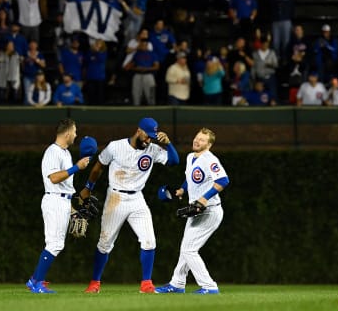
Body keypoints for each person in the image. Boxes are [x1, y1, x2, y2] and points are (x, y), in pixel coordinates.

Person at [82, 117, 180, 294]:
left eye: (152, 137)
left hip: (137, 198)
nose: (149, 140)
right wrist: (88, 188)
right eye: (147, 136)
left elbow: (174, 161)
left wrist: (169, 144)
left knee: (149, 240)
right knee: (104, 243)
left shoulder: (152, 149)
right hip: (115, 198)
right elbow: (98, 167)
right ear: (139, 131)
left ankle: (146, 283)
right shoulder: (115, 146)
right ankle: (94, 282)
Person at [155, 127, 229, 295]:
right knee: (185, 249)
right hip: (196, 211)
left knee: (189, 250)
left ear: (209, 145)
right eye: (197, 137)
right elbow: (191, 177)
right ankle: (177, 284)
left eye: (202, 140)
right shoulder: (190, 157)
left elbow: (223, 180)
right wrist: (182, 190)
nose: (197, 141)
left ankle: (210, 286)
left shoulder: (210, 159)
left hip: (210, 211)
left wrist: (204, 198)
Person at [25, 118, 92, 294]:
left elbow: (65, 187)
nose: (76, 135)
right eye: (75, 131)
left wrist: (72, 210)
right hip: (53, 200)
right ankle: (37, 283)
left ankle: (34, 279)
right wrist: (77, 168)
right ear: (68, 133)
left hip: (62, 200)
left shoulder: (65, 153)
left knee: (56, 243)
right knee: (54, 244)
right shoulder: (52, 152)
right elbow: (53, 178)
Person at [125, 39, 160, 106]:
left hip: (148, 75)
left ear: (147, 45)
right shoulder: (137, 54)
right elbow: (129, 66)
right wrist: (136, 68)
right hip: (138, 75)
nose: (143, 46)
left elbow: (157, 66)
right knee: (136, 95)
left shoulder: (152, 54)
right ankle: (136, 109)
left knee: (151, 96)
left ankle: (152, 111)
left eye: (145, 45)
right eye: (142, 45)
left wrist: (146, 68)